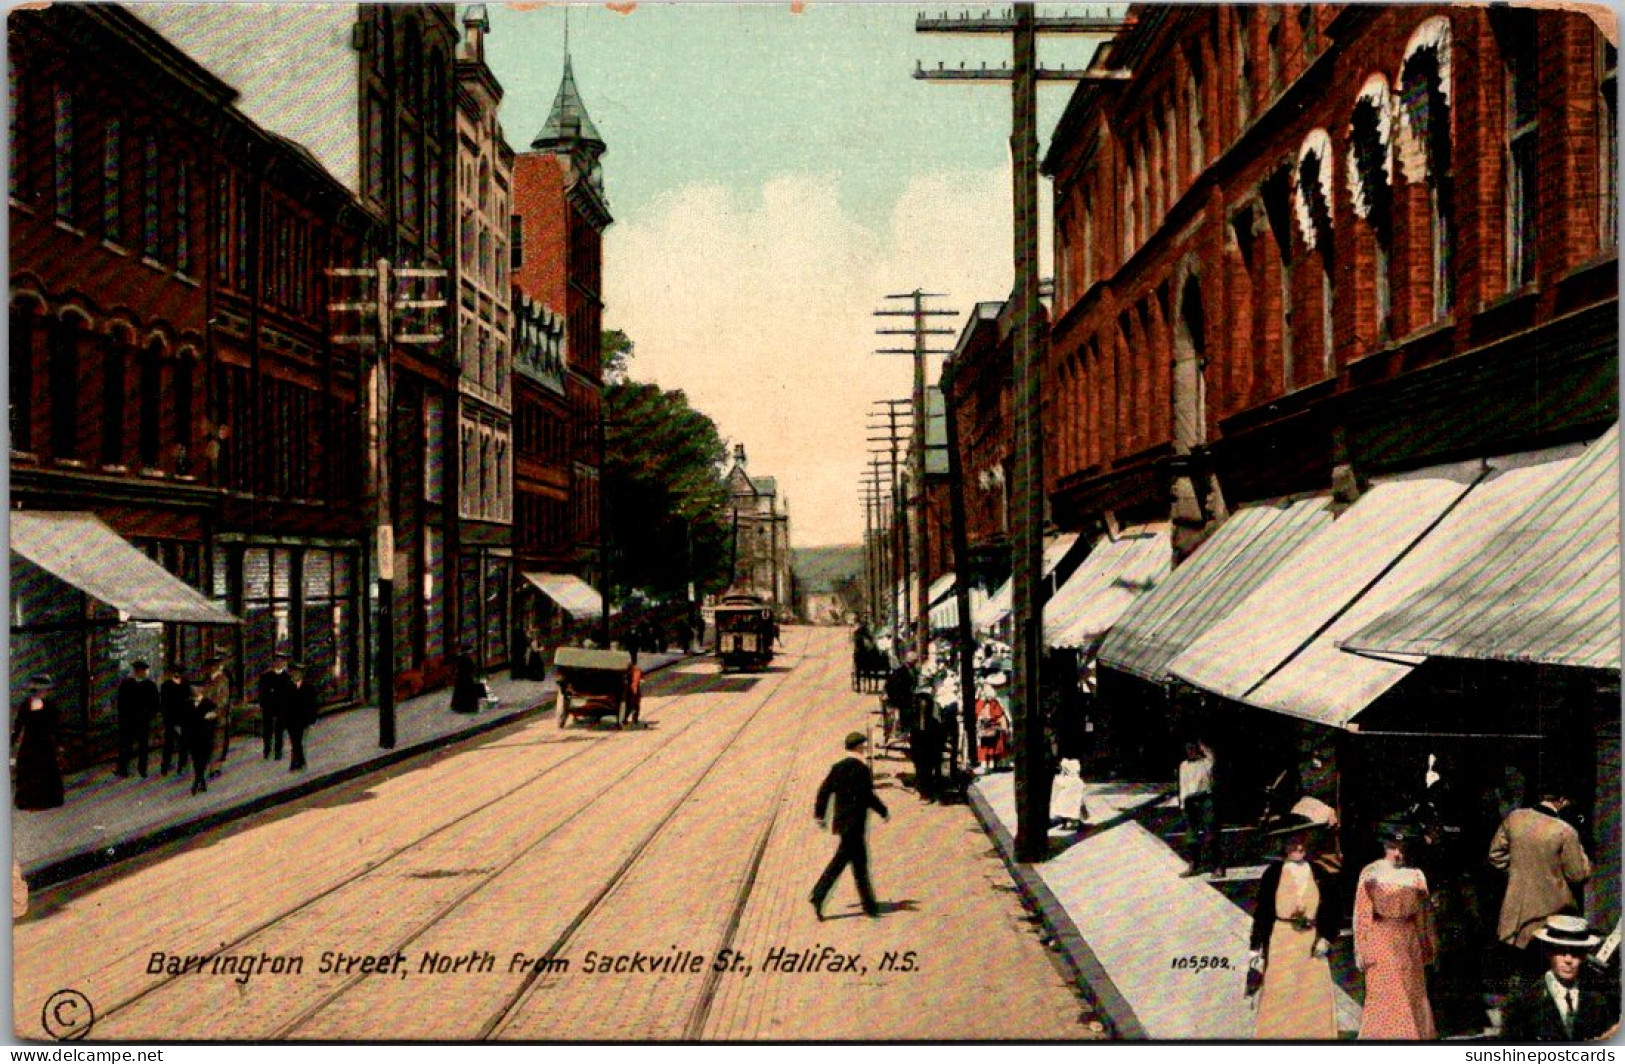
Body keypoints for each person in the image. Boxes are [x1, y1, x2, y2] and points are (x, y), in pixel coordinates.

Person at [1248, 824, 1341, 1039]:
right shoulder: (1273, 873)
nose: (1298, 846)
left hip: (1311, 943)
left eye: (1302, 841)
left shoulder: (1319, 872)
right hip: (1282, 940)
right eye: (1292, 842)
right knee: (1281, 994)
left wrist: (1326, 938)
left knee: (1312, 997)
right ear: (1283, 845)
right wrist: (1255, 949)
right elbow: (1262, 913)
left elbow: (1335, 909)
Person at [1354, 821, 1438, 1040]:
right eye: (1393, 847)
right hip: (1381, 936)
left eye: (1402, 848)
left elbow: (1423, 915)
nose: (1398, 853)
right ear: (1384, 845)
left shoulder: (1415, 875)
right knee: (1387, 991)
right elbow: (1362, 914)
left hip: (1408, 939)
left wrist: (1427, 944)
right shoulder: (1371, 873)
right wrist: (1361, 948)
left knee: (1411, 991)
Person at [1489, 783, 1592, 951]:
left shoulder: (1515, 818)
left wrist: (1519, 870)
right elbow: (1578, 875)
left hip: (1514, 917)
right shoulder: (1565, 831)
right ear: (1562, 800)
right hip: (1550, 918)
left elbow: (1495, 855)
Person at [809, 731, 889, 920]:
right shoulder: (861, 769)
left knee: (859, 864)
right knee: (842, 863)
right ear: (858, 747)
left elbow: (824, 790)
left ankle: (869, 905)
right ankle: (818, 895)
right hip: (855, 825)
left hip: (843, 823)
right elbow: (866, 795)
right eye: (864, 745)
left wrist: (820, 814)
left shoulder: (838, 767)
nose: (865, 748)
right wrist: (882, 810)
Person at [1503, 915, 1620, 1041]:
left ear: (1584, 956)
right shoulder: (1524, 999)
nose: (1568, 960)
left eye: (1575, 953)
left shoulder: (1598, 998)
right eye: (1561, 952)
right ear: (1549, 952)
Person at [12, 675, 64, 810]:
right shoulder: (26, 705)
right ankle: (30, 800)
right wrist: (12, 740)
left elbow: (56, 726)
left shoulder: (49, 706)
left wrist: (59, 742)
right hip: (31, 742)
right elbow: (19, 724)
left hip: (43, 743)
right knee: (30, 771)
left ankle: (46, 799)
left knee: (44, 770)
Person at [1178, 739, 1223, 879]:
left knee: (1211, 836)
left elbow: (1211, 755)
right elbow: (1183, 785)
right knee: (1191, 837)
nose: (1190, 751)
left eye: (1193, 748)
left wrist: (1202, 745)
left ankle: (1217, 866)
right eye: (1188, 748)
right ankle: (1193, 865)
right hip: (1190, 801)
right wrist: (1183, 804)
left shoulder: (1206, 763)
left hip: (1205, 800)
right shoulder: (1184, 765)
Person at [115, 660, 160, 778]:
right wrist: (123, 717)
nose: (142, 673)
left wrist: (149, 715)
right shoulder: (126, 685)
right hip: (128, 720)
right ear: (136, 671)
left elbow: (155, 703)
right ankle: (122, 769)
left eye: (144, 671)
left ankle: (142, 769)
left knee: (143, 746)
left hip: (143, 720)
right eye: (140, 671)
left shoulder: (150, 685)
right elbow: (121, 702)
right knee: (126, 745)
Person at [183, 674, 220, 796]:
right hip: (193, 736)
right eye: (193, 687)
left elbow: (215, 717)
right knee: (196, 759)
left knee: (203, 759)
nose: (195, 690)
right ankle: (201, 781)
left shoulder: (208, 703)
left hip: (205, 736)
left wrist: (212, 717)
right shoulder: (187, 704)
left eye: (198, 687)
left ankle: (197, 782)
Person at [198, 653, 232, 778]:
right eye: (210, 666)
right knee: (208, 743)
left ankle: (215, 768)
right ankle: (209, 766)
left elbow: (224, 700)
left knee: (218, 742)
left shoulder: (223, 679)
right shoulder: (207, 680)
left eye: (214, 665)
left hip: (218, 716)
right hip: (206, 716)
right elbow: (203, 695)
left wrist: (216, 712)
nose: (212, 668)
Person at [258, 652, 295, 761]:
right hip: (268, 707)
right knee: (267, 730)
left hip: (281, 708)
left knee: (279, 730)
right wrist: (263, 703)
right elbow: (262, 692)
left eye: (281, 661)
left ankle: (278, 751)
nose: (279, 663)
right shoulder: (266, 676)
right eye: (277, 661)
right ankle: (267, 750)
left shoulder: (287, 677)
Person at [158, 662, 190, 776]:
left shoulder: (186, 685)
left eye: (179, 672)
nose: (178, 674)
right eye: (175, 672)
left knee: (183, 743)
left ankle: (182, 765)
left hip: (183, 719)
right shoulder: (166, 686)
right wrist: (169, 720)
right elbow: (164, 705)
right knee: (169, 743)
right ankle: (165, 766)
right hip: (171, 719)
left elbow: (188, 703)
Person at [285, 662, 316, 772]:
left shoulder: (308, 687)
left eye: (297, 673)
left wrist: (312, 720)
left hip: (303, 720)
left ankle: (296, 763)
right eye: (293, 673)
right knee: (295, 742)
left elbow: (312, 704)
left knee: (298, 742)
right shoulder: (288, 687)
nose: (295, 675)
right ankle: (300, 762)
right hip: (291, 720)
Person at [450, 649, 481, 714]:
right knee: (469, 694)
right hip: (467, 679)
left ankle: (459, 707)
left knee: (460, 694)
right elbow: (472, 668)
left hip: (461, 680)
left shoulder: (459, 659)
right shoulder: (467, 660)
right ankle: (470, 708)